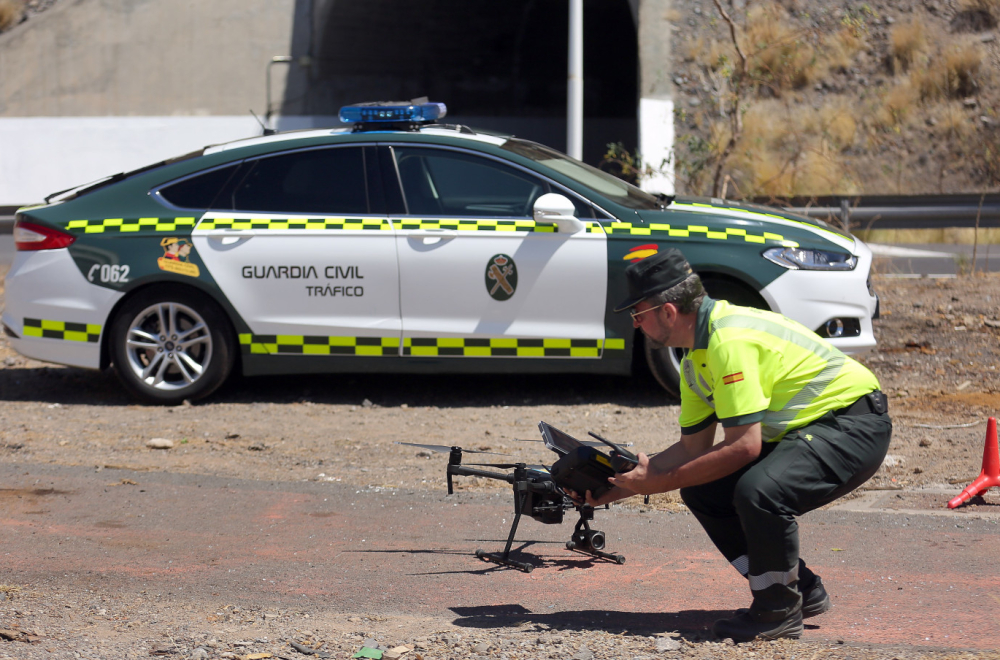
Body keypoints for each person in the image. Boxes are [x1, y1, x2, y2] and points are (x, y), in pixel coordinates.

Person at [585, 248, 892, 641]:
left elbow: (743, 447)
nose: (636, 325)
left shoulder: (728, 341)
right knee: (704, 491)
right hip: (816, 427)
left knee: (759, 492)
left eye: (638, 315)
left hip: (854, 425)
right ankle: (800, 588)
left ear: (668, 311)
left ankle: (776, 610)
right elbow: (692, 451)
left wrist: (655, 483)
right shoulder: (696, 358)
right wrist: (610, 488)